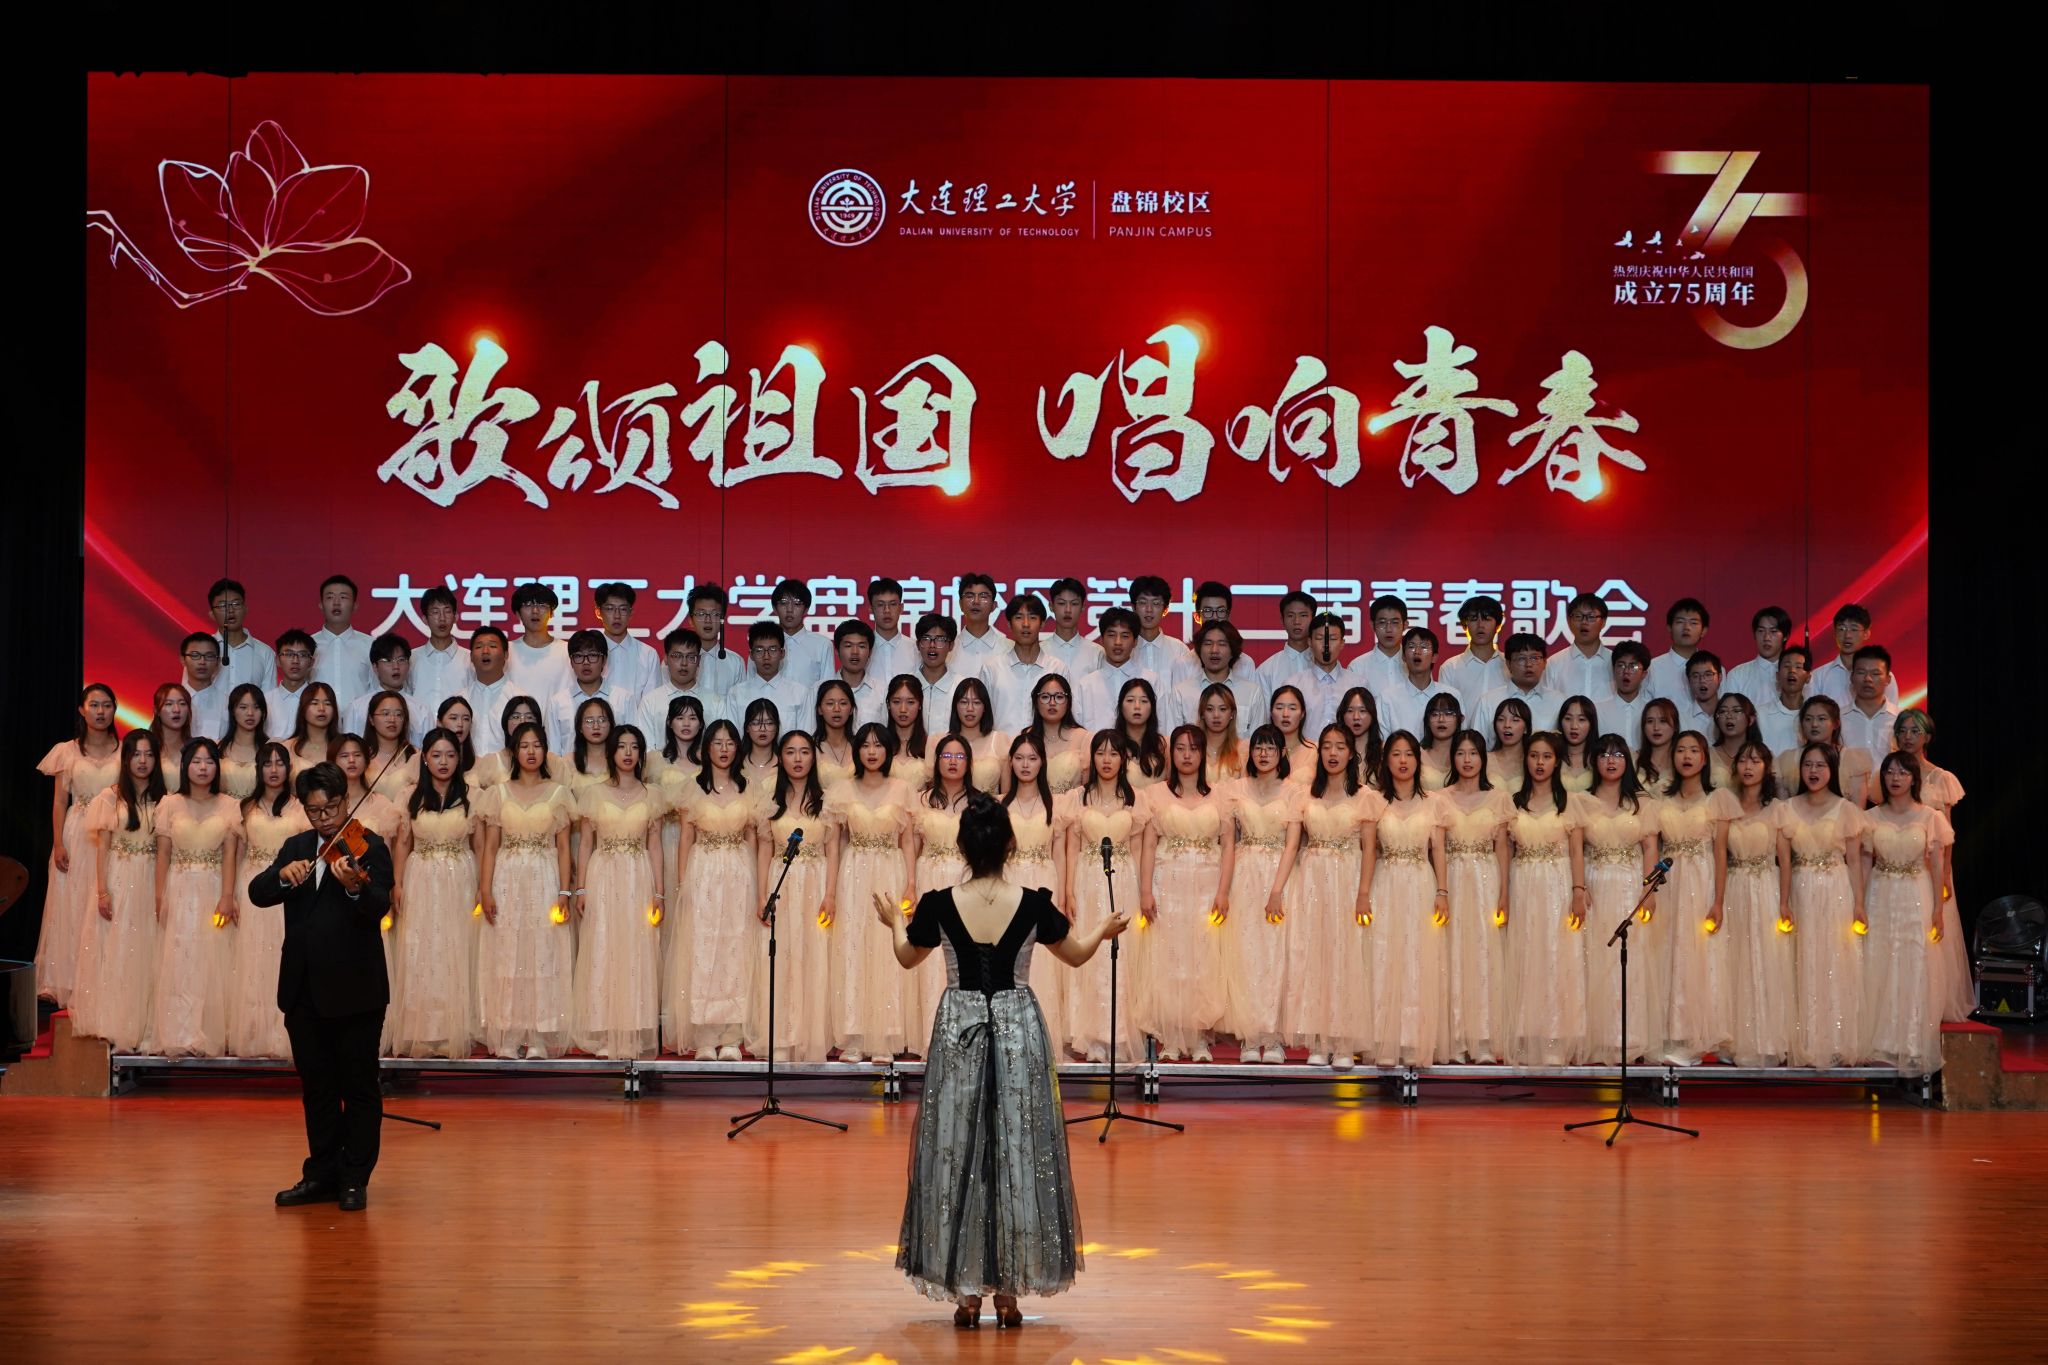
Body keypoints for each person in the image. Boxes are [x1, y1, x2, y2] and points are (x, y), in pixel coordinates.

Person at [875, 794, 1128, 1326]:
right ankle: (1008, 1293)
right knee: (1016, 1149)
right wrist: (1103, 930)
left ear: (962, 847)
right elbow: (1077, 954)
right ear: (1010, 844)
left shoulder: (938, 904)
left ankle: (967, 1293)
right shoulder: (1033, 904)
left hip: (959, 1029)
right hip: (1017, 1029)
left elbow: (905, 957)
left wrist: (893, 922)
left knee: (957, 1151)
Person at [247, 761, 392, 1212]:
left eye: (331, 808)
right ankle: (321, 1174)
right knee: (318, 1089)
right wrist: (280, 875)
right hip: (304, 989)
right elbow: (257, 893)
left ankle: (354, 1177)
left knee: (359, 1088)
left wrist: (354, 888)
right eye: (314, 811)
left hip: (356, 991)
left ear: (346, 802)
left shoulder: (370, 846)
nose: (325, 819)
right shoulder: (296, 847)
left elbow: (379, 904)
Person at [473, 723, 577, 1059]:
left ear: (546, 750)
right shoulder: (499, 793)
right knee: (507, 952)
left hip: (545, 876)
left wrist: (564, 892)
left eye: (537, 745)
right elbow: (490, 847)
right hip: (507, 878)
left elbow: (564, 848)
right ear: (514, 752)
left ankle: (538, 1036)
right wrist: (485, 890)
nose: (531, 752)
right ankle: (508, 1032)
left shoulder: (559, 793)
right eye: (524, 746)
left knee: (543, 952)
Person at [1280, 725, 1379, 1069]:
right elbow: (1293, 844)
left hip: (1348, 880)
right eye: (1327, 747)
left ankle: (1344, 1042)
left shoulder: (1365, 796)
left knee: (1345, 956)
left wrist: (1363, 893)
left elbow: (1369, 850)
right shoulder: (1305, 794)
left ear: (1351, 753)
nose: (1333, 753)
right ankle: (1319, 1041)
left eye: (1340, 747)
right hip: (1312, 881)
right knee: (1314, 956)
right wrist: (1278, 890)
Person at [1135, 726, 1229, 1062]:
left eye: (1193, 748)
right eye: (1180, 748)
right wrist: (1145, 891)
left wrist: (1223, 892)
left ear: (1203, 754)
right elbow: (1148, 845)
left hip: (1206, 883)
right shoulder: (1155, 795)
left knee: (1204, 957)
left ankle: (1200, 1035)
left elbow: (1228, 846)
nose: (1187, 755)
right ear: (1171, 754)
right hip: (1168, 883)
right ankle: (1172, 1036)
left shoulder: (1220, 796)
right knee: (1170, 956)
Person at [667, 719, 760, 1060]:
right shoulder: (692, 788)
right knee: (704, 948)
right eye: (717, 742)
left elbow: (752, 838)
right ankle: (705, 1035)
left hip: (738, 873)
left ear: (738, 747)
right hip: (703, 871)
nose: (724, 749)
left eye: (729, 742)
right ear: (706, 748)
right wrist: (683, 885)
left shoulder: (749, 787)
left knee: (736, 947)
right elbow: (685, 840)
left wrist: (755, 883)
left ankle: (732, 1035)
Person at [571, 725, 664, 1060]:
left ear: (641, 754)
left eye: (634, 747)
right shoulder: (594, 794)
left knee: (636, 949)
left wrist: (659, 893)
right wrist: (581, 888)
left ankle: (634, 1031)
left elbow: (655, 845)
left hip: (638, 875)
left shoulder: (653, 795)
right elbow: (585, 844)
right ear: (611, 752)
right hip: (603, 876)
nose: (627, 753)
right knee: (604, 946)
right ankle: (605, 1030)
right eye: (621, 746)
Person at [388, 728, 480, 1060]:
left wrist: (482, 887)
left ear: (459, 758)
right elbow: (403, 844)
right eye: (437, 755)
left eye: (451, 755)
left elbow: (481, 845)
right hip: (421, 879)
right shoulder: (409, 796)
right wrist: (397, 884)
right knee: (421, 950)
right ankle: (424, 1031)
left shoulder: (473, 795)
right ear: (424, 758)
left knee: (456, 947)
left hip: (460, 878)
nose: (444, 761)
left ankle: (455, 1029)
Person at [1057, 732, 1149, 1062]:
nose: (1106, 760)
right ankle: (1092, 1036)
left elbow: (1137, 849)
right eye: (1100, 753)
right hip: (1086, 880)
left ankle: (1119, 1035)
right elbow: (1071, 847)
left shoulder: (1136, 798)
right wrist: (1068, 891)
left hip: (1122, 880)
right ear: (1092, 758)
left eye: (1113, 754)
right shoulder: (1077, 798)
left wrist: (1141, 891)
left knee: (1121, 956)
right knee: (1090, 952)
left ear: (1123, 759)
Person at [826, 723, 914, 1063]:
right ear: (857, 751)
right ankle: (854, 1036)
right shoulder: (841, 790)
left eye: (879, 745)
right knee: (853, 949)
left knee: (888, 949)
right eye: (865, 745)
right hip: (854, 875)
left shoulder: (902, 789)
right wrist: (830, 892)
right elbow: (834, 846)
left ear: (888, 751)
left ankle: (885, 1038)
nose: (872, 752)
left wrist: (911, 884)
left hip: (891, 871)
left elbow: (908, 841)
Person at [1859, 753, 1952, 1076]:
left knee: (1914, 964)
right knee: (1879, 962)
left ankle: (1910, 1044)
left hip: (1916, 893)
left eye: (1902, 772)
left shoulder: (1930, 817)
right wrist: (1859, 904)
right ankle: (1879, 1043)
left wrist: (1938, 909)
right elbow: (1865, 863)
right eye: (1889, 772)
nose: (1895, 778)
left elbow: (1937, 866)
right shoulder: (1870, 817)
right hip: (1880, 893)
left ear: (1914, 778)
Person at [149, 739, 241, 1058]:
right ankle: (179, 1032)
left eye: (210, 762)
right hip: (179, 887)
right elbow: (163, 854)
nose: (203, 768)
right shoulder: (169, 803)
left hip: (213, 887)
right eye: (197, 761)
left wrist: (227, 895)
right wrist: (160, 897)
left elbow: (230, 855)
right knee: (180, 957)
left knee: (213, 958)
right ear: (185, 765)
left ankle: (208, 1032)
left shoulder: (229, 806)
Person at [72, 731, 164, 1051]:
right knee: (120, 949)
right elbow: (103, 849)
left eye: (149, 755)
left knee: (150, 951)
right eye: (136, 754)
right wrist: (102, 891)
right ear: (125, 759)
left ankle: (146, 1025)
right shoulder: (109, 798)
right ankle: (117, 1025)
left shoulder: (166, 799)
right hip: (121, 879)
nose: (143, 761)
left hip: (152, 879)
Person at [1780, 743, 1868, 1067]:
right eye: (1808, 765)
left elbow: (1854, 861)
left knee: (1835, 960)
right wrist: (1783, 901)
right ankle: (1804, 1039)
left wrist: (1859, 904)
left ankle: (1836, 1039)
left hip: (1835, 890)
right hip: (1801, 890)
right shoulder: (1786, 808)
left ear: (1832, 770)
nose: (1813, 772)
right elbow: (1783, 861)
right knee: (1801, 960)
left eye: (1820, 765)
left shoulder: (1847, 810)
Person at [1218, 725, 1303, 1063]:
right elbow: (1228, 840)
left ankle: (1275, 1036)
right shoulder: (1234, 790)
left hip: (1281, 875)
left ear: (1282, 753)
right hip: (1245, 875)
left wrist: (1277, 890)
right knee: (1246, 952)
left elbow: (1293, 844)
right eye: (1258, 747)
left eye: (1271, 748)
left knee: (1278, 954)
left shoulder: (1295, 792)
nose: (1264, 753)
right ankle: (1250, 1037)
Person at [1653, 732, 1739, 1066]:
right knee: (1670, 952)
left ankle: (1701, 1035)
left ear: (1704, 758)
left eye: (1693, 750)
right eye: (1680, 750)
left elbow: (1720, 854)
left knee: (1701, 954)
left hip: (1702, 880)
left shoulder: (1717, 800)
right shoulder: (1660, 799)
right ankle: (1673, 1033)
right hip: (1669, 883)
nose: (1686, 756)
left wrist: (1718, 900)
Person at [36, 683, 124, 1005]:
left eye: (107, 705)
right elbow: (60, 801)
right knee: (71, 903)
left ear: (114, 710)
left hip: (112, 832)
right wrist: (58, 843)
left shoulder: (125, 750)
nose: (101, 712)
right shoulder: (66, 750)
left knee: (104, 899)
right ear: (82, 710)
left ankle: (102, 978)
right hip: (77, 832)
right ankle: (68, 980)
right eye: (94, 705)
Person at [1503, 732, 1586, 1065]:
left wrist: (1578, 891)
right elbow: (1506, 853)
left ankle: (1555, 1038)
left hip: (1557, 884)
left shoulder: (1570, 803)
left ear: (1557, 762)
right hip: (1523, 883)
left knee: (1556, 955)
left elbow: (1577, 851)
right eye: (1534, 756)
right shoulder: (1513, 802)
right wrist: (1504, 894)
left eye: (1547, 757)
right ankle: (1526, 1036)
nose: (1539, 763)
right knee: (1525, 954)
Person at [1366, 731, 1446, 1067]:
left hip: (1420, 883)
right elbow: (1369, 850)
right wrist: (1363, 893)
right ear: (1386, 761)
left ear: (1418, 760)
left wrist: (1442, 891)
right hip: (1385, 883)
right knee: (1384, 956)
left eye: (1408, 754)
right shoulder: (1374, 801)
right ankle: (1383, 1040)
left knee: (1417, 957)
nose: (1402, 760)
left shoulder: (1433, 802)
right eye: (1396, 754)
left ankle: (1414, 1040)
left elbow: (1438, 850)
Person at [1891, 710, 1973, 1020]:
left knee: (1931, 934)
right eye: (1903, 730)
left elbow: (1947, 834)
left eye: (1915, 731)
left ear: (1927, 737)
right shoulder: (1889, 773)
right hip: (1897, 864)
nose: (1908, 736)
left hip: (1930, 867)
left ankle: (1932, 1001)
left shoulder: (1941, 778)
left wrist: (1946, 874)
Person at [1437, 729, 1512, 1062]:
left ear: (1483, 758)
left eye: (1473, 753)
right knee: (1451, 954)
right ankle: (1454, 1039)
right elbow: (1437, 849)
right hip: (1452, 878)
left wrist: (1504, 892)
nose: (1467, 760)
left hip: (1485, 881)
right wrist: (1440, 889)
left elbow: (1502, 849)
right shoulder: (1439, 798)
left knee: (1483, 955)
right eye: (1460, 753)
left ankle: (1482, 1039)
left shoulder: (1498, 798)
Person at [229, 742, 306, 1059]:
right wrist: (230, 894)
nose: (274, 770)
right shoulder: (245, 808)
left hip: (289, 887)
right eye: (267, 763)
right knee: (253, 958)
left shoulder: (300, 807)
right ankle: (254, 1034)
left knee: (282, 957)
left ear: (289, 769)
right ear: (258, 769)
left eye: (280, 763)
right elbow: (236, 854)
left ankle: (283, 1036)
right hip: (253, 884)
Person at [1721, 739, 1792, 1068]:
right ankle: (1734, 1041)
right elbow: (1720, 855)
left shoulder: (1778, 809)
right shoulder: (1726, 805)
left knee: (1765, 958)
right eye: (1743, 761)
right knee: (1734, 960)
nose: (1748, 767)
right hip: (1735, 886)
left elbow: (1785, 861)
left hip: (1766, 888)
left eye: (1756, 761)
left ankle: (1766, 1039)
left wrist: (1785, 903)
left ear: (1767, 768)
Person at [908, 734, 979, 1052]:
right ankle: (929, 1035)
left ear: (969, 763)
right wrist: (911, 883)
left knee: (963, 954)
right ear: (936, 762)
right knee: (930, 957)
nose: (953, 762)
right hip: (930, 880)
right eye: (946, 756)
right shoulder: (920, 800)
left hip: (966, 882)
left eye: (960, 756)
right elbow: (912, 846)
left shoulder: (979, 802)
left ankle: (965, 1035)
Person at [1170, 620, 1266, 737]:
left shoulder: (1252, 693)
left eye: (1222, 644)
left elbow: (1259, 741)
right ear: (1199, 650)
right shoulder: (1181, 693)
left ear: (1233, 651)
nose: (1214, 650)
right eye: (1208, 643)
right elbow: (1173, 739)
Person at [547, 629, 634, 754]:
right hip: (570, 766)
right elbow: (553, 753)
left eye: (593, 655)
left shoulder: (623, 699)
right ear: (571, 662)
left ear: (604, 660)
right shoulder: (557, 703)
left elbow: (633, 745)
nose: (586, 662)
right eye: (579, 656)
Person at [1775, 697, 1874, 807]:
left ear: (1836, 723)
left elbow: (1858, 809)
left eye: (1821, 719)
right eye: (1808, 719)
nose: (1814, 724)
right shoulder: (1787, 760)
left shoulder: (1853, 760)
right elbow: (1782, 808)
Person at [1071, 608, 1154, 731]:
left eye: (1125, 636)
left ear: (1135, 641)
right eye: (1111, 635)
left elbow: (1163, 728)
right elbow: (1076, 732)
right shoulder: (1085, 685)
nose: (1118, 642)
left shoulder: (1151, 681)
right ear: (1101, 639)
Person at [1811, 603, 1900, 707]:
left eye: (1854, 629)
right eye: (1841, 629)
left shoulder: (1883, 677)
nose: (1847, 635)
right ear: (1834, 633)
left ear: (1866, 634)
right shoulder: (1818, 677)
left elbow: (1891, 713)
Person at [310, 574, 375, 714]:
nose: (336, 603)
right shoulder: (308, 646)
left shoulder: (370, 645)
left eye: (343, 597)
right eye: (330, 597)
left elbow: (376, 689)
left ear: (355, 606)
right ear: (321, 605)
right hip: (318, 722)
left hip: (359, 723)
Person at [1438, 594, 1508, 721]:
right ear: (1465, 625)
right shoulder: (1450, 668)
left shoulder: (1509, 666)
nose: (1480, 625)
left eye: (1487, 619)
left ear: (1498, 625)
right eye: (1474, 619)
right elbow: (1446, 712)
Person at [340, 635, 421, 745]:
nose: (396, 666)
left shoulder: (421, 710)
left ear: (409, 664)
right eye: (388, 660)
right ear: (375, 667)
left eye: (401, 660)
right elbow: (348, 747)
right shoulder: (357, 708)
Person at [202, 578, 278, 693]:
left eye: (236, 604)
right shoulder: (200, 651)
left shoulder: (265, 653)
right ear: (211, 614)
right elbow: (189, 694)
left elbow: (268, 699)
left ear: (245, 609)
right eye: (223, 605)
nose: (230, 610)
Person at [411, 585, 476, 718]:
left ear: (455, 616)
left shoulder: (470, 659)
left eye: (447, 611)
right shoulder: (411, 658)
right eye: (435, 612)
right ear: (425, 619)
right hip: (418, 730)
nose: (442, 618)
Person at [1479, 633, 1565, 732]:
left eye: (1534, 658)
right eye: (1521, 659)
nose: (1528, 664)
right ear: (1508, 664)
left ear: (1545, 662)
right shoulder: (1489, 702)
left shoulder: (1559, 701)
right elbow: (1477, 740)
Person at [1381, 626, 1455, 737]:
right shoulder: (1387, 698)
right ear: (1403, 656)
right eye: (1411, 646)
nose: (1417, 652)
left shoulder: (1453, 696)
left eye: (1424, 647)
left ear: (1434, 657)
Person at [592, 581, 661, 698]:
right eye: (610, 609)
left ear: (631, 612)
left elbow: (652, 701)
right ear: (598, 612)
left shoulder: (648, 654)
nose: (617, 616)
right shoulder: (589, 654)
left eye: (623, 609)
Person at [505, 581, 571, 702]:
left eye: (542, 605)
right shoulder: (506, 652)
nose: (535, 610)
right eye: (528, 605)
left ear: (551, 612)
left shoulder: (567, 650)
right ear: (518, 613)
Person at [1840, 645, 1901, 772]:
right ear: (1851, 677)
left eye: (1875, 673)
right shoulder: (1838, 719)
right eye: (1861, 672)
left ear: (1888, 679)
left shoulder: (1900, 719)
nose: (1868, 679)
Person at [1547, 592, 1617, 700]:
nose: (1584, 622)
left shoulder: (1615, 663)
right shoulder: (1554, 664)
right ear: (1569, 621)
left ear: (1603, 622)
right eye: (1578, 616)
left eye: (1591, 617)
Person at [768, 578, 835, 691]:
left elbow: (828, 689)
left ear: (806, 609)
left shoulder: (822, 645)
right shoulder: (762, 644)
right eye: (783, 603)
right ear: (774, 608)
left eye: (797, 604)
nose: (789, 609)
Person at [1725, 606, 1796, 711]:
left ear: (1785, 636)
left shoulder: (1796, 674)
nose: (1766, 638)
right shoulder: (1737, 675)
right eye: (1761, 631)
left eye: (1773, 631)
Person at [1293, 612, 1353, 734]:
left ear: (1342, 643)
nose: (1326, 645)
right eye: (1320, 639)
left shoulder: (1358, 684)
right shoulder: (1294, 685)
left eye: (1333, 639)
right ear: (1309, 642)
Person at [1128, 575, 1192, 684]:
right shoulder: (1127, 649)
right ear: (1133, 607)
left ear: (1165, 609)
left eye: (1156, 603)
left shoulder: (1179, 650)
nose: (1149, 609)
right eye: (1143, 602)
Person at [950, 677, 1010, 793]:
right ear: (955, 706)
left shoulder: (1000, 740)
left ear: (985, 707)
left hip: (991, 804)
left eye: (976, 703)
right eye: (964, 702)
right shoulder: (942, 741)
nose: (970, 709)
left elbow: (1006, 794)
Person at [1040, 578, 1106, 681]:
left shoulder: (1097, 653)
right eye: (1061, 603)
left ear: (1083, 607)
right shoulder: (1040, 651)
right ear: (1051, 606)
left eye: (1074, 604)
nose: (1068, 610)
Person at [464, 626, 516, 757]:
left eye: (492, 646)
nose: (485, 651)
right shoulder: (461, 700)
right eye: (479, 647)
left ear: (506, 655)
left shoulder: (518, 699)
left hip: (506, 769)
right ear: (471, 656)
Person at [1646, 598, 1709, 704]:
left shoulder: (1714, 670)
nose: (1686, 627)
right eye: (1680, 622)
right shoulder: (1652, 669)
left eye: (1693, 623)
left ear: (1703, 631)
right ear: (1669, 627)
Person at [688, 583, 746, 698]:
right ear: (691, 620)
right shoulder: (677, 660)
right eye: (701, 613)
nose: (708, 620)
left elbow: (739, 703)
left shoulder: (735, 662)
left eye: (715, 614)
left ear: (722, 620)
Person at [830, 618, 890, 728]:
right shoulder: (820, 690)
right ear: (837, 650)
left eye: (861, 646)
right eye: (848, 646)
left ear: (870, 652)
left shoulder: (882, 691)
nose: (855, 652)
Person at [1349, 594, 1410, 699]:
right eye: (1382, 622)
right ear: (1372, 625)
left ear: (1405, 625)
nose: (1389, 629)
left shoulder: (1415, 664)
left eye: (1395, 623)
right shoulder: (1357, 667)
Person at [1756, 644, 1812, 756]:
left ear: (1808, 677)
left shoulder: (1813, 715)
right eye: (1787, 666)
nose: (1792, 671)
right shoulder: (1761, 714)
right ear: (1777, 676)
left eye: (1798, 667)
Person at [218, 684, 271, 800]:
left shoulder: (271, 749)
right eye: (243, 707)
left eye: (256, 707)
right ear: (232, 711)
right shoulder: (218, 748)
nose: (250, 713)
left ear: (263, 712)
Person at [1257, 589, 1318, 687]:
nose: (1297, 621)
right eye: (1290, 616)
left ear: (1313, 620)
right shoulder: (1267, 670)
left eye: (1303, 615)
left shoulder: (1324, 665)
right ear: (1282, 620)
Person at [865, 576, 920, 683]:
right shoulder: (863, 649)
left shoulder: (915, 649)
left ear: (901, 608)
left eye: (893, 604)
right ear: (871, 608)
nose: (887, 610)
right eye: (880, 605)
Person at [953, 572, 1012, 668]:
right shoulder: (948, 650)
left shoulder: (1010, 649)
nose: (976, 601)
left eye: (983, 596)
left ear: (994, 606)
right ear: (960, 604)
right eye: (969, 596)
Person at [266, 629, 319, 734]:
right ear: (277, 660)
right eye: (289, 654)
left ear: (311, 662)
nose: (295, 661)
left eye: (302, 655)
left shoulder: (320, 702)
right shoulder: (265, 701)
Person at [180, 633, 229, 741]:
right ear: (183, 659)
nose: (202, 662)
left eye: (209, 656)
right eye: (195, 655)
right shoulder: (170, 701)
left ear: (218, 662)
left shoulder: (227, 703)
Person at [1605, 641, 1653, 748]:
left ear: (1644, 674)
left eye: (1633, 666)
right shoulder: (1599, 711)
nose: (1626, 671)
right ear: (1613, 669)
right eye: (1621, 665)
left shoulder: (1651, 711)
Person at [812, 679, 860, 788]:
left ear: (851, 709)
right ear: (819, 709)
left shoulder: (861, 745)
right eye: (830, 703)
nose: (837, 709)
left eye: (843, 703)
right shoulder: (810, 746)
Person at [285, 682, 339, 775]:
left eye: (327, 703)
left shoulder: (342, 747)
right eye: (314, 703)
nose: (321, 708)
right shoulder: (287, 748)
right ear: (303, 709)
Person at [150, 683, 194, 792]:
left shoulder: (196, 749)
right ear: (156, 710)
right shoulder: (147, 748)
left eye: (182, 704)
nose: (176, 710)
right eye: (169, 704)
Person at [1417, 692, 1463, 790]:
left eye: (1448, 714)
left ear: (1459, 719)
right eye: (1434, 714)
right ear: (1427, 721)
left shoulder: (1466, 756)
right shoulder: (1417, 755)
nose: (1441, 719)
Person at [1556, 695, 1601, 793]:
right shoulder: (1552, 756)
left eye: (1581, 719)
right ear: (1560, 722)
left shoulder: (1600, 757)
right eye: (1568, 718)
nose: (1574, 726)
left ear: (1591, 724)